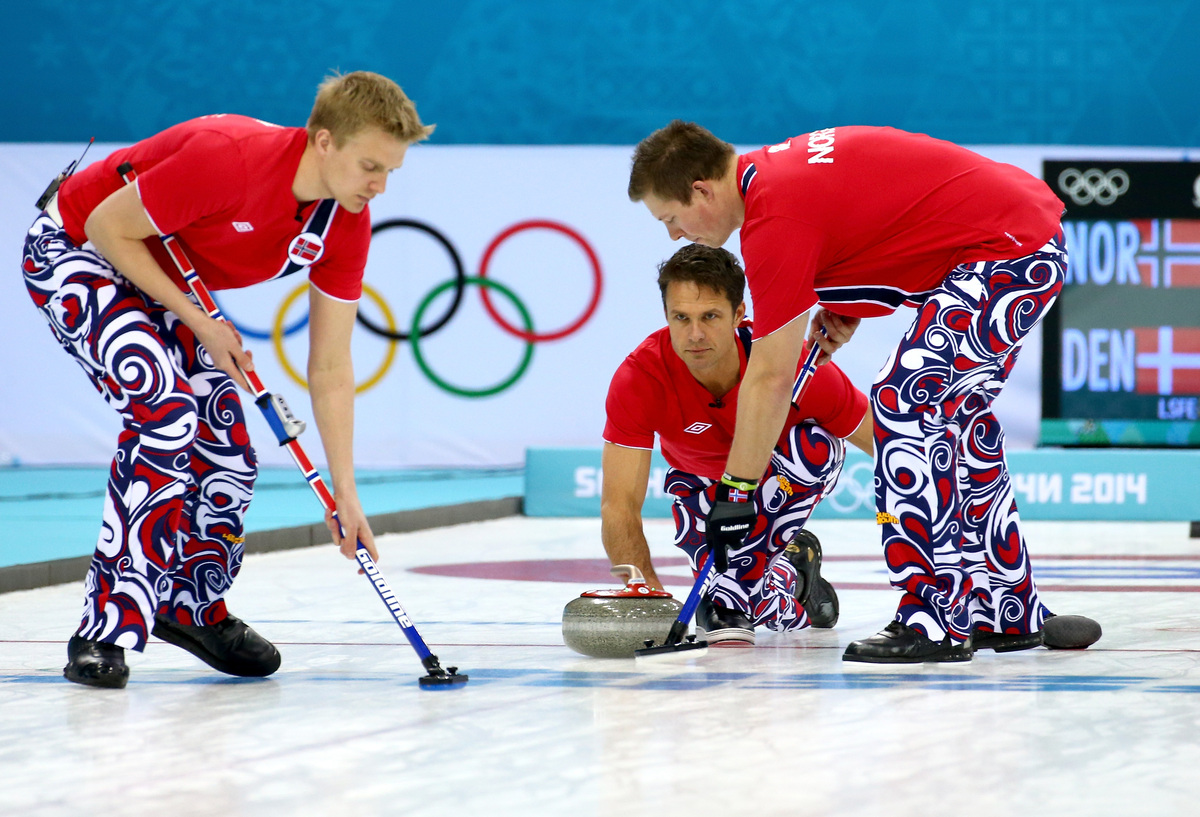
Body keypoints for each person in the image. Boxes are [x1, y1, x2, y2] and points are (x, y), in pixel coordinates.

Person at [628, 121, 1101, 662]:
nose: (672, 233)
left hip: (1003, 249)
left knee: (905, 403)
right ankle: (1004, 607)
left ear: (701, 190)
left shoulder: (771, 218)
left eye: (670, 217)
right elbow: (879, 210)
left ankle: (934, 617)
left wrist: (736, 491)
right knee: (959, 421)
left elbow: (770, 376)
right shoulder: (774, 178)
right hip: (1017, 240)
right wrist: (846, 305)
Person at [21, 71, 433, 688]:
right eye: (370, 166)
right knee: (166, 413)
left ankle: (191, 607)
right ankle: (103, 627)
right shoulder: (231, 158)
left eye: (390, 173)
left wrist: (347, 493)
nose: (378, 186)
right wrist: (198, 319)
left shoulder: (345, 221)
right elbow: (110, 228)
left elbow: (330, 367)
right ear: (324, 142)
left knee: (230, 451)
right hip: (79, 247)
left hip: (162, 277)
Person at [601, 243, 873, 645]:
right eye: (681, 318)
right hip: (703, 489)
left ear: (740, 314)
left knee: (812, 447)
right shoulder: (639, 378)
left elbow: (892, 449)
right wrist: (649, 600)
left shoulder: (793, 367)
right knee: (736, 608)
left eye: (710, 316)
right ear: (666, 317)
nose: (695, 335)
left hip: (782, 479)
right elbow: (618, 506)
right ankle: (794, 575)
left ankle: (748, 578)